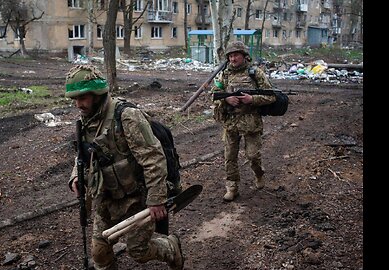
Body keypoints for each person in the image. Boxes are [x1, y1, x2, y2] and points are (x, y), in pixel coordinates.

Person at [65, 64, 184, 270]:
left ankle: (171, 249)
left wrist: (156, 200)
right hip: (107, 199)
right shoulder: (86, 121)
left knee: (137, 250)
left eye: (82, 98)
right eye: (74, 99)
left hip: (137, 198)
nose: (78, 104)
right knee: (100, 253)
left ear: (97, 94)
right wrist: (76, 176)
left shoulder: (126, 116)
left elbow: (153, 158)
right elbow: (83, 156)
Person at [210, 41, 276, 202]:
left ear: (244, 56)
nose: (233, 59)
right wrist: (227, 100)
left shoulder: (256, 73)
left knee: (253, 155)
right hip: (231, 123)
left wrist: (251, 99)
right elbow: (214, 94)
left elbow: (271, 96)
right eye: (230, 56)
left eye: (236, 55)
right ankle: (232, 187)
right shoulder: (223, 75)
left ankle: (259, 174)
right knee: (230, 157)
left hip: (251, 122)